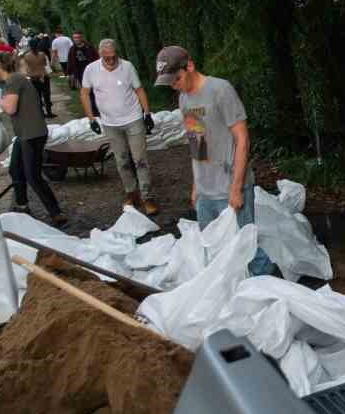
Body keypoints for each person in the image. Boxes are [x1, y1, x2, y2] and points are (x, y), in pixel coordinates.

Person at [154, 45, 274, 275]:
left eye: (177, 78)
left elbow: (242, 139)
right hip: (205, 191)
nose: (174, 85)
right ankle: (233, 294)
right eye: (170, 82)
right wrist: (196, 186)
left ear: (189, 66)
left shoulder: (220, 90)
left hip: (230, 185)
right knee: (214, 247)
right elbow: (196, 142)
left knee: (247, 249)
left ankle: (269, 288)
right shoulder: (184, 100)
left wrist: (237, 187)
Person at [0, 51, 68, 228]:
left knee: (33, 176)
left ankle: (56, 213)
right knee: (16, 168)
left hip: (32, 134)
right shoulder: (12, 81)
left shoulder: (14, 80)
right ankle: (23, 205)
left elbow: (10, 108)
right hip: (25, 134)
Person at [81, 38, 158, 216]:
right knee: (121, 161)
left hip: (133, 119)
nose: (110, 60)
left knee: (140, 160)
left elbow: (139, 90)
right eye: (106, 57)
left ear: (117, 53)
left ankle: (148, 197)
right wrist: (91, 118)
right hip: (110, 124)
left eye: (113, 56)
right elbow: (85, 93)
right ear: (100, 55)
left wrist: (147, 113)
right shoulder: (91, 70)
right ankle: (132, 193)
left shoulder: (127, 67)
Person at [23, 46, 55, 119]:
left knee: (37, 96)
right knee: (47, 95)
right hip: (43, 76)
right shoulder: (42, 54)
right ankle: (49, 112)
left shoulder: (26, 56)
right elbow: (45, 65)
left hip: (33, 77)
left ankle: (41, 113)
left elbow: (26, 68)